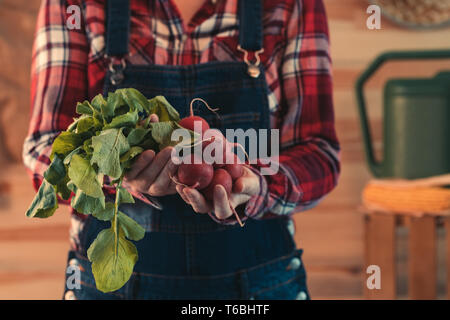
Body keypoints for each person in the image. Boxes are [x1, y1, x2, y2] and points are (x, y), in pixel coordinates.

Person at [23, 0, 340, 300]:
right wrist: (115, 175)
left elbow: (318, 153)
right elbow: (46, 151)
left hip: (260, 285)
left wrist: (256, 185)